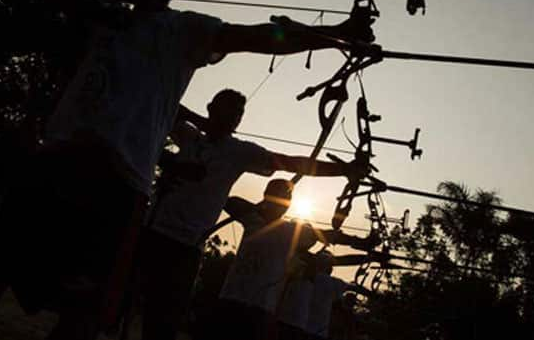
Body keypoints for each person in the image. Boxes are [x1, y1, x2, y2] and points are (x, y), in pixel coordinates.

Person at [0, 0, 374, 340]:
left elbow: (260, 37)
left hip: (118, 187)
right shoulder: (106, 15)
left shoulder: (187, 30)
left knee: (84, 312)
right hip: (56, 162)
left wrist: (337, 32)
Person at [136, 88, 367, 340]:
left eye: (238, 114)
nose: (234, 118)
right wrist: (173, 159)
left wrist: (343, 169)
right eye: (228, 110)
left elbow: (292, 163)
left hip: (187, 245)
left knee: (162, 326)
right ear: (211, 107)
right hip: (150, 230)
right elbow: (160, 103)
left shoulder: (239, 152)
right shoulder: (189, 137)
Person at [206, 179, 378, 340]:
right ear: (266, 195)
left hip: (260, 309)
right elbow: (230, 201)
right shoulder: (252, 219)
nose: (283, 202)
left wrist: (361, 242)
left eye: (287, 197)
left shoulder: (290, 232)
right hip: (231, 300)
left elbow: (329, 235)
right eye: (279, 195)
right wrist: (258, 210)